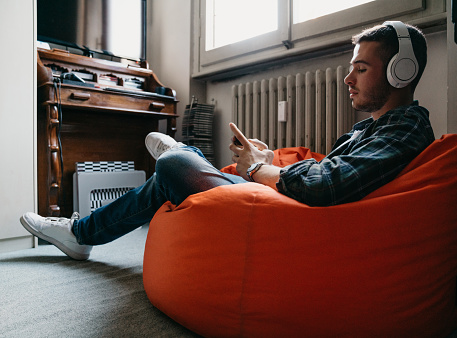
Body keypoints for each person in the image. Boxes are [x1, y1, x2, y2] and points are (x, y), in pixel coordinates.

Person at [20, 21, 434, 261]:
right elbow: (330, 173)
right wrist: (272, 161)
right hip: (295, 208)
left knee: (173, 168)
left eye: (360, 68)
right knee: (178, 169)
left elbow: (327, 185)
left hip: (301, 226)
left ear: (401, 72)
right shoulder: (373, 129)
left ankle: (89, 228)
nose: (348, 78)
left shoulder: (406, 127)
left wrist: (258, 168)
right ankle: (86, 231)